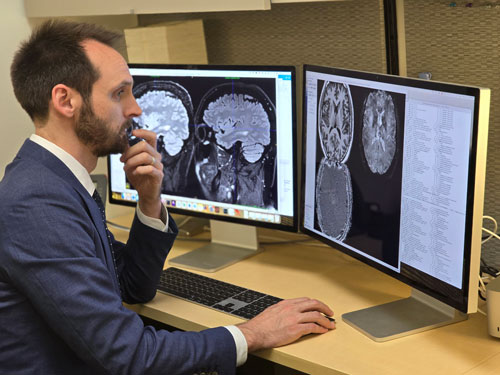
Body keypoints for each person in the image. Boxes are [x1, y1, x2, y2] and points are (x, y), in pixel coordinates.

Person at [0, 20, 335, 375]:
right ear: (65, 100)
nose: (135, 109)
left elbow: (131, 286)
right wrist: (253, 333)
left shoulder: (55, 181)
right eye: (120, 93)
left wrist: (148, 200)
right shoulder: (35, 204)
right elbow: (130, 356)